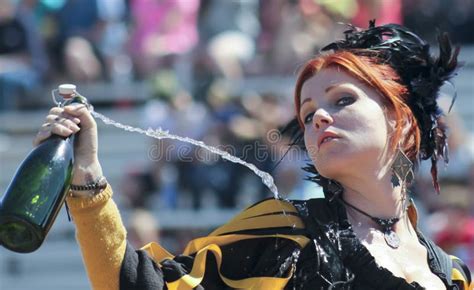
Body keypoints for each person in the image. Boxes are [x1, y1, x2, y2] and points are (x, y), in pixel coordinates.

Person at [33, 21, 472, 289]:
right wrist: (87, 176)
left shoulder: (452, 276)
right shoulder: (283, 232)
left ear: (402, 121)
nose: (318, 117)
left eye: (342, 100)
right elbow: (134, 285)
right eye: (307, 112)